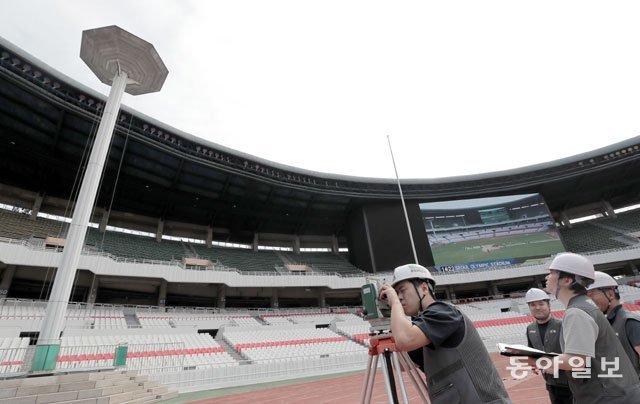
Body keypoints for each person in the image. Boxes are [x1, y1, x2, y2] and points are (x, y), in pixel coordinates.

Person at [378, 263, 511, 403]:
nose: (399, 297)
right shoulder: (422, 328)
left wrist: (395, 304)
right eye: (396, 293)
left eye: (402, 290)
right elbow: (400, 365)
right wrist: (392, 315)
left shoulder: (444, 312)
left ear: (424, 288)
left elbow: (405, 340)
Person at [541, 252, 640, 403]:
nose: (547, 277)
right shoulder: (585, 307)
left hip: (607, 397)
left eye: (552, 273)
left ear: (566, 280)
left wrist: (538, 359)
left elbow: (577, 361)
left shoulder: (577, 312)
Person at [586, 271, 640, 377]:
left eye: (591, 295)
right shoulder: (609, 323)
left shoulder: (629, 322)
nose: (589, 301)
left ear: (610, 294)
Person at [524, 287, 573, 404]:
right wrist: (535, 363)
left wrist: (556, 365)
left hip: (571, 384)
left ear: (549, 305)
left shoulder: (563, 325)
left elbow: (575, 355)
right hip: (551, 384)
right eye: (532, 305)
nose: (537, 308)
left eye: (541, 304)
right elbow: (533, 353)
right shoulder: (530, 329)